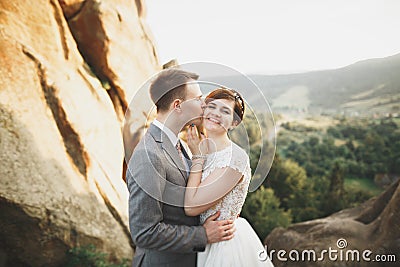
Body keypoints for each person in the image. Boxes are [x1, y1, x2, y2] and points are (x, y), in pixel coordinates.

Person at [126, 68, 236, 267]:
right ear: (177, 105)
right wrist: (203, 234)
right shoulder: (148, 155)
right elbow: (144, 233)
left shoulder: (180, 145)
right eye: (198, 99)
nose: (204, 105)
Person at [184, 87, 274, 266]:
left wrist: (198, 158)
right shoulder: (200, 148)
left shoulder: (235, 159)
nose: (216, 114)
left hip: (225, 245)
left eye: (225, 111)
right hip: (204, 241)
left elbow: (191, 206)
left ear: (234, 122)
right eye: (212, 107)